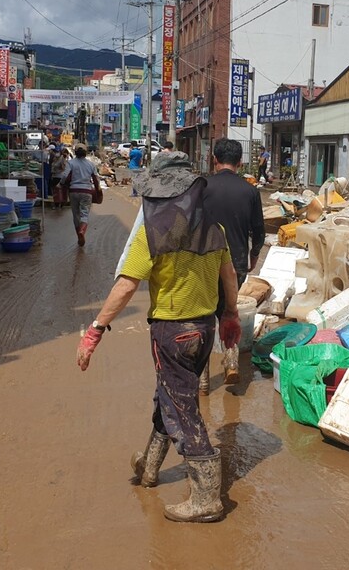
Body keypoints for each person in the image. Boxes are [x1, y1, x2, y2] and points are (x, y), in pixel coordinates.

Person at [76, 151, 241, 524]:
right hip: (205, 327)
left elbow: (126, 286)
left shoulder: (153, 230)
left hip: (172, 332)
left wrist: (95, 329)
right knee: (170, 396)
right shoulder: (214, 226)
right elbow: (229, 274)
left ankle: (206, 498)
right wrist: (230, 314)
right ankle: (149, 468)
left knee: (183, 410)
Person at [200, 138, 265, 390]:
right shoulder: (250, 191)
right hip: (236, 262)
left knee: (204, 318)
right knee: (230, 311)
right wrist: (254, 255)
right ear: (240, 162)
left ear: (214, 159)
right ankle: (232, 363)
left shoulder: (202, 186)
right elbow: (258, 230)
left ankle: (203, 378)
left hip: (204, 262)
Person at [61, 146, 100, 245]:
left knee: (76, 215)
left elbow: (65, 176)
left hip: (73, 191)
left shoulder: (71, 163)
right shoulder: (91, 164)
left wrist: (62, 184)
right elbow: (96, 179)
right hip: (87, 191)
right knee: (85, 214)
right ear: (85, 153)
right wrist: (98, 191)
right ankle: (82, 231)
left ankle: (79, 235)